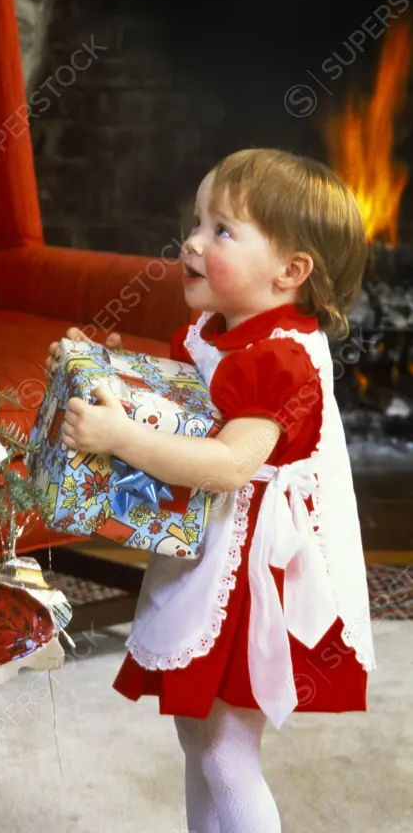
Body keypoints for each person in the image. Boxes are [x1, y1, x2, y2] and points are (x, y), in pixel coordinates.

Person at [44, 149, 376, 833]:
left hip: (251, 575)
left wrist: (116, 436)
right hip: (208, 548)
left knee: (225, 748)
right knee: (194, 734)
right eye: (196, 221)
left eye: (222, 230)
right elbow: (177, 406)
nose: (192, 241)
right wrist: (95, 369)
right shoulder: (215, 329)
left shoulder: (280, 361)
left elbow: (226, 464)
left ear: (290, 272)